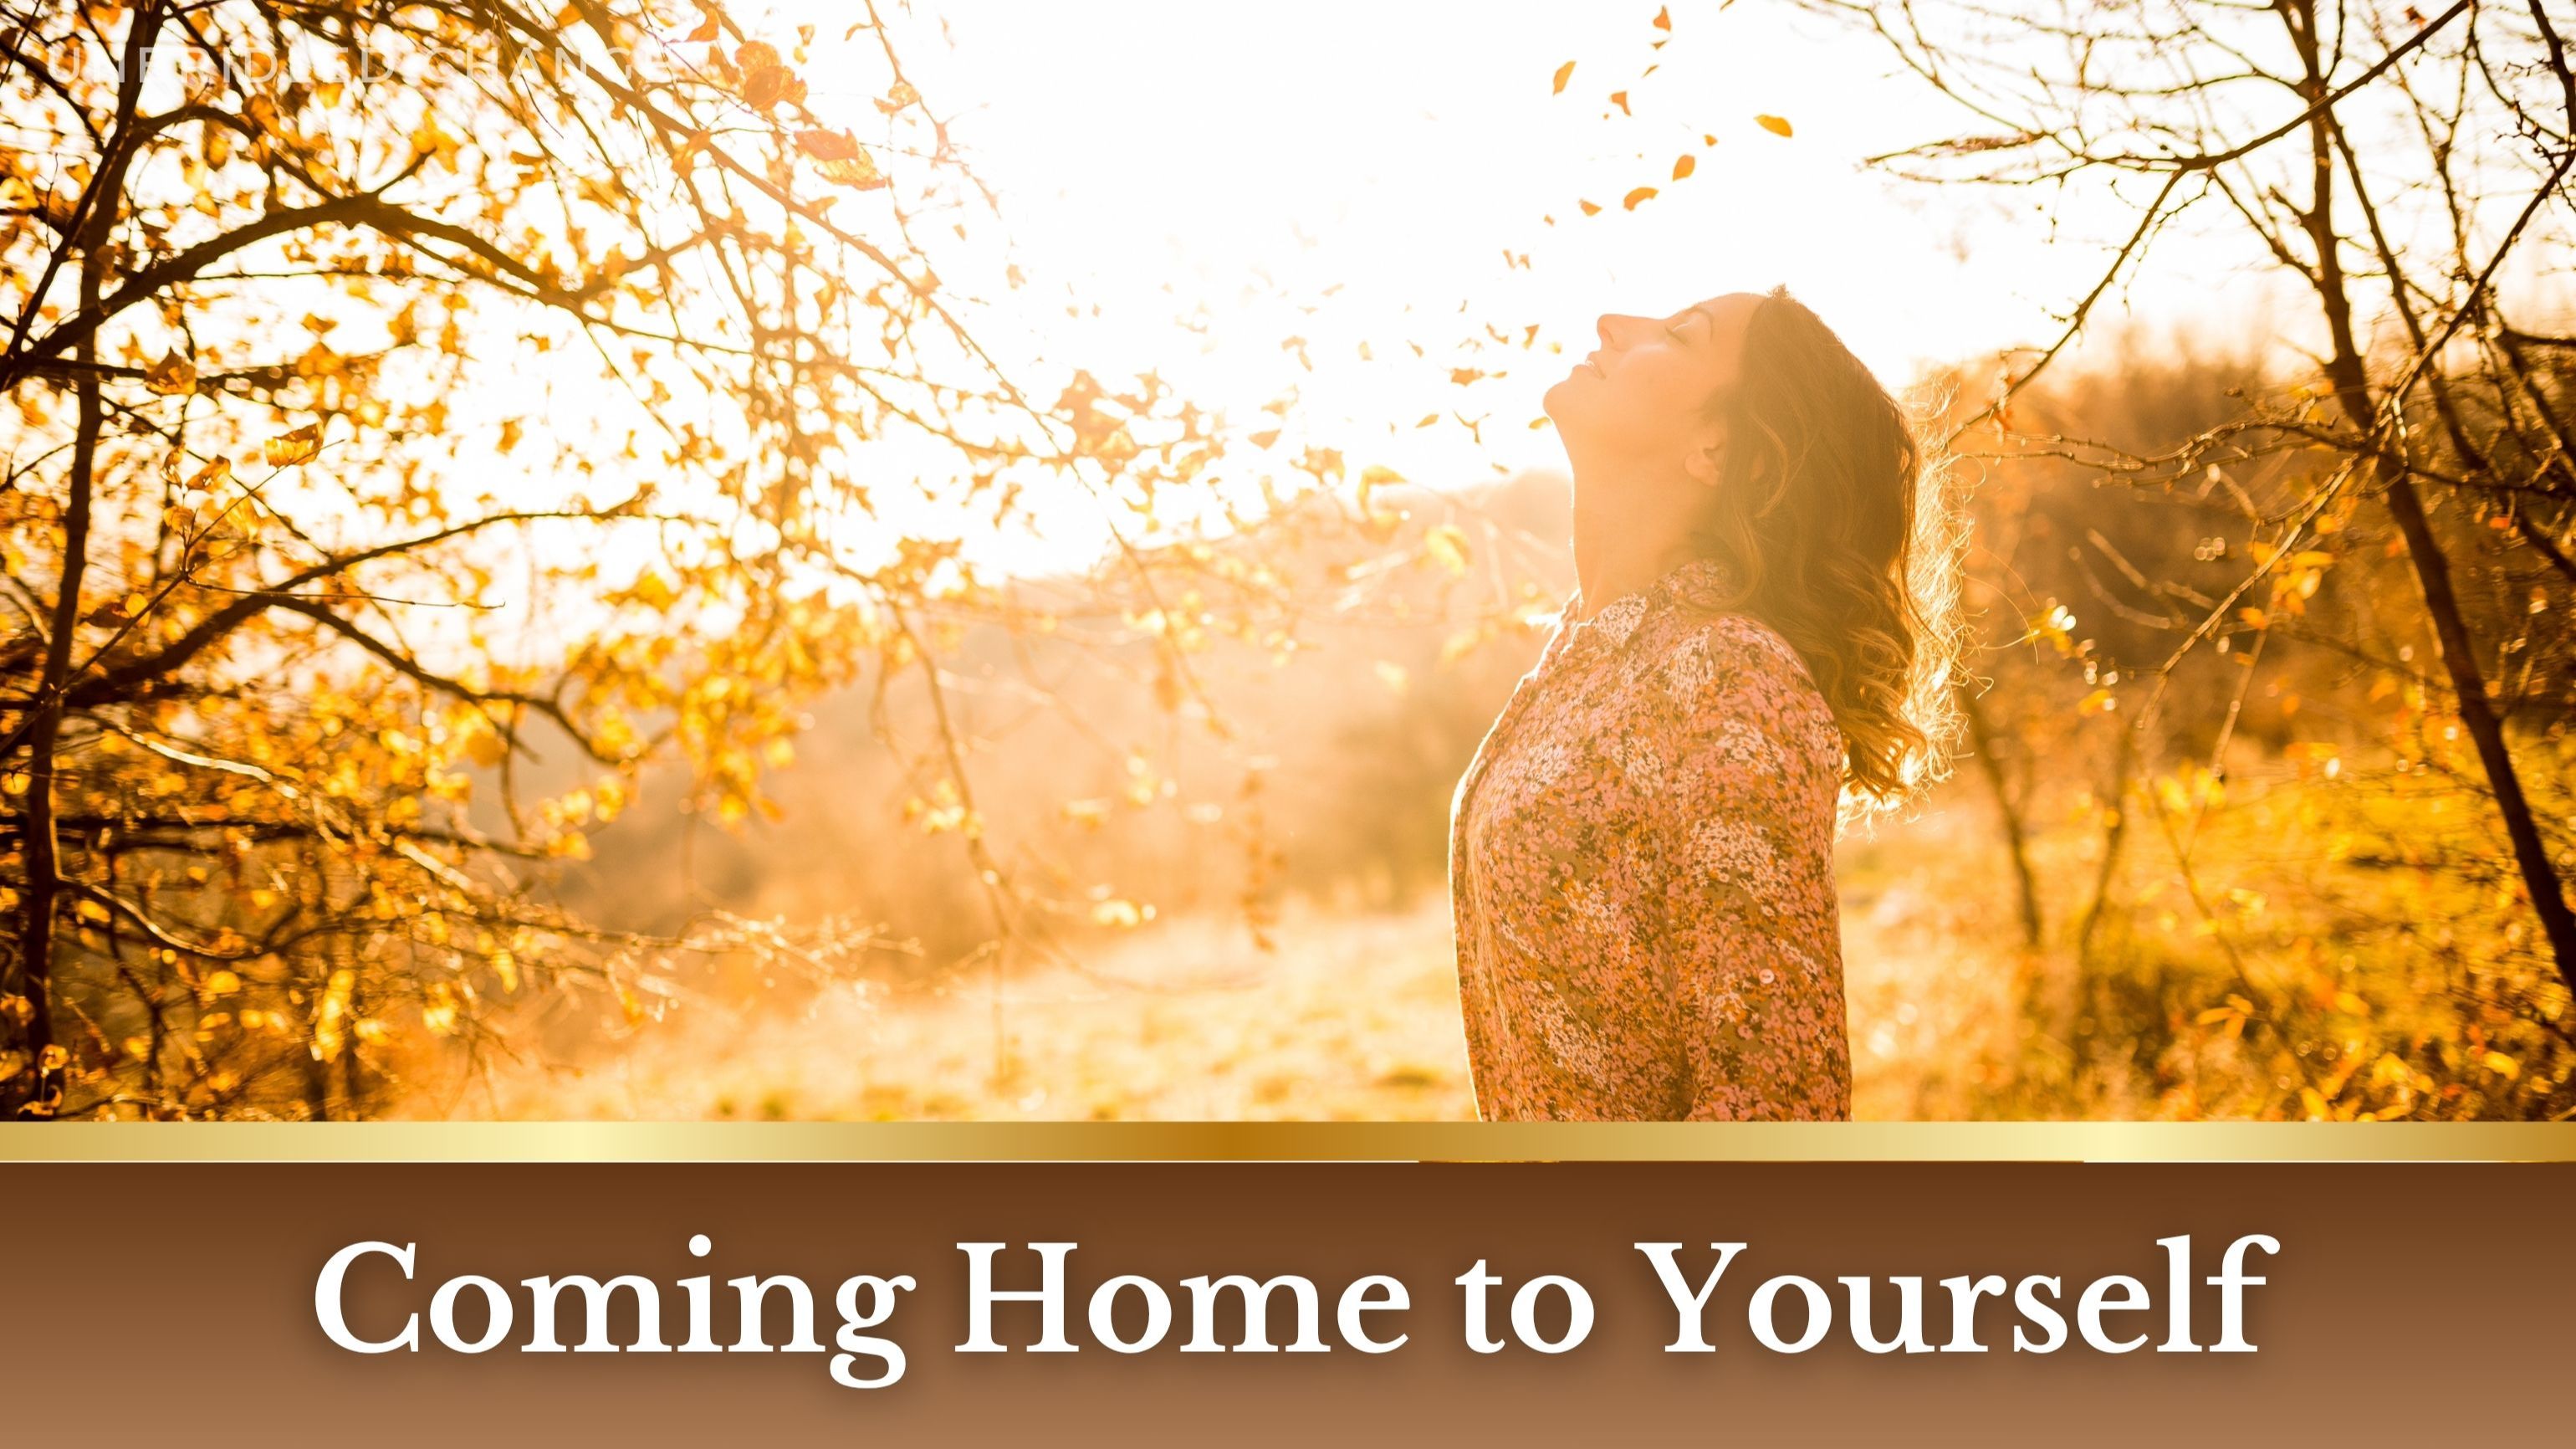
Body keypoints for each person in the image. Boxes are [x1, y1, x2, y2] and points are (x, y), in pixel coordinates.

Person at [1447, 286, 1956, 1120]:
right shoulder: (1584, 655)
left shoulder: (1732, 673)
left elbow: (1778, 1106)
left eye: (1680, 335)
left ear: (1719, 448)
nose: (1612, 323)